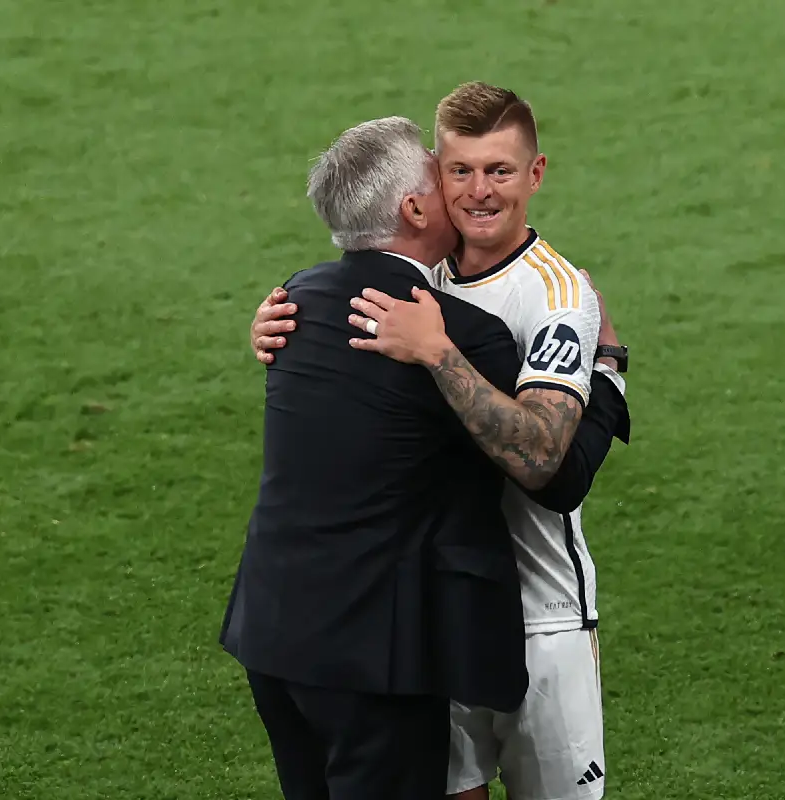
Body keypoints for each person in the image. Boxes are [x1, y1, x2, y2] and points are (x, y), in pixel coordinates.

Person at [221, 115, 629, 800]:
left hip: (273, 630)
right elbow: (552, 477)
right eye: (447, 173)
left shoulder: (297, 300)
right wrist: (610, 371)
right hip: (382, 651)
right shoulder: (460, 331)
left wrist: (261, 332)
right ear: (415, 207)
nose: (464, 190)